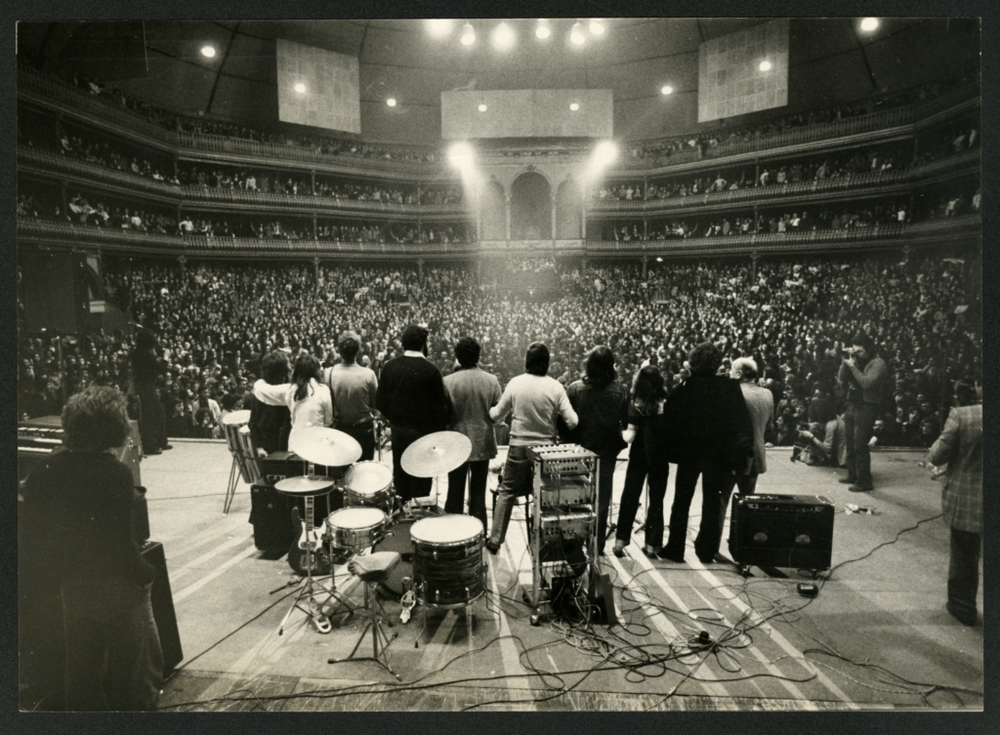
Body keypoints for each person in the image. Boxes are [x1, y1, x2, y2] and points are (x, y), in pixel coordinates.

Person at [23, 386, 162, 710]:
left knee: (83, 677)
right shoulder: (116, 473)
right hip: (118, 589)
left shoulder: (43, 471)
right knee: (138, 680)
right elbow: (121, 546)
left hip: (71, 587)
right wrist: (147, 574)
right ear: (112, 427)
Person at [658, 342, 753, 564]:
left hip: (690, 453)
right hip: (718, 454)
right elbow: (740, 422)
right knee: (711, 502)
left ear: (693, 363)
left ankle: (675, 548)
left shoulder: (686, 387)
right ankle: (706, 550)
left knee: (682, 500)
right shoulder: (729, 387)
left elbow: (670, 416)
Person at [486, 342, 578, 554]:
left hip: (518, 445)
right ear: (547, 363)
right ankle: (545, 542)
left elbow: (496, 415)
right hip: (546, 450)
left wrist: (487, 409)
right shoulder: (556, 386)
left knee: (507, 491)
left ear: (526, 361)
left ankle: (495, 540)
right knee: (545, 494)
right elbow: (572, 422)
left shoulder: (516, 383)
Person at [926, 381, 982, 626]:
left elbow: (938, 454)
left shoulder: (964, 415)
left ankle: (963, 606)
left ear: (981, 387)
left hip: (970, 497)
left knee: (965, 552)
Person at [566, 346, 629, 555]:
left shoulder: (575, 389)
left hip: (579, 449)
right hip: (607, 451)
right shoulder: (620, 391)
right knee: (602, 499)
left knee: (577, 496)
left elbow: (566, 422)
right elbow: (625, 423)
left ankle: (576, 542)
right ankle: (597, 545)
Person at [375, 324, 449, 502]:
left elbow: (380, 402)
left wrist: (394, 418)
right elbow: (441, 408)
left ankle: (401, 519)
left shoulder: (390, 367)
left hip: (399, 431)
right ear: (424, 343)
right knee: (422, 479)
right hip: (424, 434)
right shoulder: (432, 370)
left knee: (400, 476)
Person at [443, 336, 502, 531]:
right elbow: (498, 415)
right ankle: (478, 535)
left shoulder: (447, 382)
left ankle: (455, 536)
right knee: (478, 493)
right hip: (482, 442)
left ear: (457, 358)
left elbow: (443, 415)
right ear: (479, 356)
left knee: (455, 491)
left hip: (456, 444)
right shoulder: (492, 380)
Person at [613, 366, 669, 558]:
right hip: (660, 456)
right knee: (657, 501)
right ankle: (653, 545)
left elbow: (629, 436)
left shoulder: (635, 404)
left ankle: (620, 542)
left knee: (629, 496)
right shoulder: (665, 404)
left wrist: (620, 431)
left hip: (638, 456)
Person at [717, 357, 774, 545]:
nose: (729, 373)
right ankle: (742, 541)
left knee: (722, 499)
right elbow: (769, 427)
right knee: (748, 500)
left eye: (732, 370)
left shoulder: (733, 393)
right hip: (756, 452)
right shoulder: (768, 394)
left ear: (740, 373)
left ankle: (713, 543)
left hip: (733, 454)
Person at [837, 332, 888, 492]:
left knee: (860, 445)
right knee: (850, 444)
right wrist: (845, 362)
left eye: (860, 351)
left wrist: (853, 366)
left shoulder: (878, 363)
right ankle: (853, 475)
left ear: (869, 349)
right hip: (852, 404)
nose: (857, 354)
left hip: (867, 406)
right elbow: (841, 379)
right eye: (855, 351)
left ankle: (865, 481)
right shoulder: (856, 361)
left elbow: (867, 383)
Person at [324, 331, 378, 461]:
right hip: (364, 429)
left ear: (339, 350)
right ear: (358, 351)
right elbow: (375, 404)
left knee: (342, 472)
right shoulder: (368, 374)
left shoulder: (329, 373)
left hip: (341, 429)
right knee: (364, 472)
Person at [130, 329, 170, 455]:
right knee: (150, 416)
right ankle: (150, 446)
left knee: (157, 413)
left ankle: (160, 441)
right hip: (146, 387)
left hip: (143, 385)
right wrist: (166, 358)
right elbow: (160, 369)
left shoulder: (136, 352)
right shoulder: (146, 354)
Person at [248, 349, 291, 456]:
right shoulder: (288, 392)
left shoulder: (259, 388)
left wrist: (258, 447)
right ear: (283, 372)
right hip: (285, 446)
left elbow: (253, 422)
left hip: (265, 446)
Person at [285, 353, 332, 451]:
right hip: (317, 442)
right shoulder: (323, 390)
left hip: (296, 441)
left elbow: (292, 411)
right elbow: (328, 421)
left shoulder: (290, 391)